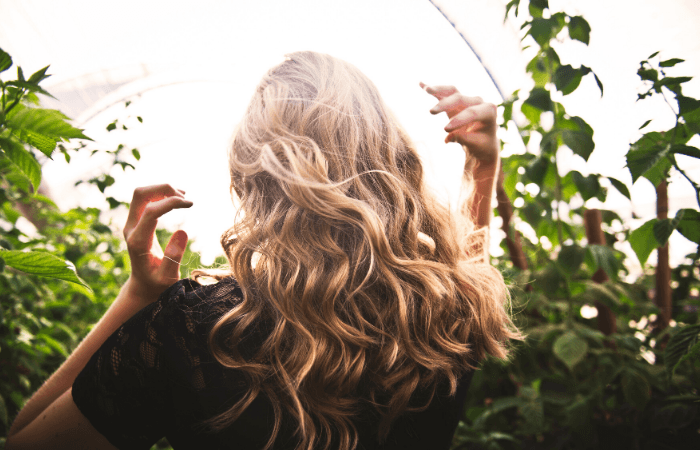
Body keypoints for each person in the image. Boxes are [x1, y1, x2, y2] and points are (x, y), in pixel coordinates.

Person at [6, 51, 519, 450]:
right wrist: (483, 170)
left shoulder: (196, 330)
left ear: (251, 176)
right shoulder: (449, 315)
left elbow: (24, 444)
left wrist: (138, 295)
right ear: (391, 157)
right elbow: (466, 269)